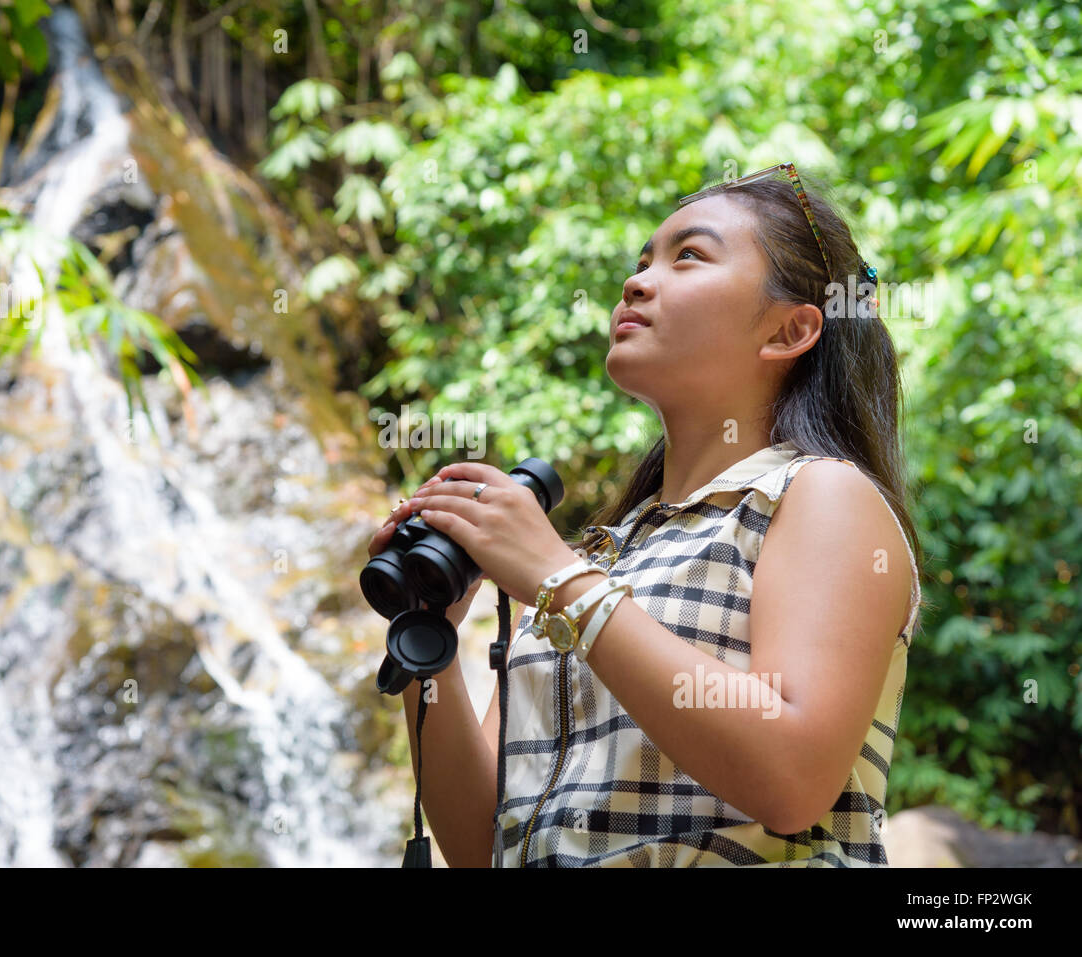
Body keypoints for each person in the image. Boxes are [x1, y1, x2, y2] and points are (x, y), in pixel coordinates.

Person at [367, 165, 925, 867]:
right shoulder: (597, 557)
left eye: (688, 256)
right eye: (641, 262)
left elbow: (793, 776)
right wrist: (434, 646)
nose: (635, 283)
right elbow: (485, 847)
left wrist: (557, 577)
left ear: (789, 330)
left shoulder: (819, 496)